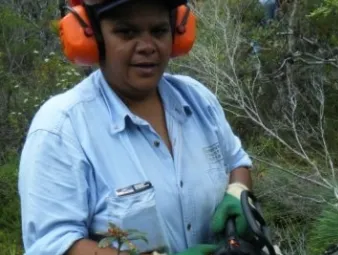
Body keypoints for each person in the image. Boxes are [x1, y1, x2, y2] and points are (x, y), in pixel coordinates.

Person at [18, 0, 254, 255]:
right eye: (127, 32)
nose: (147, 47)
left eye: (159, 31)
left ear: (176, 35)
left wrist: (238, 191)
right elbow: (53, 244)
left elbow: (236, 162)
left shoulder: (198, 100)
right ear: (94, 38)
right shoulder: (62, 127)